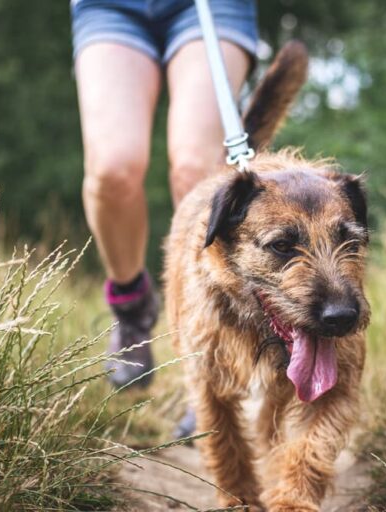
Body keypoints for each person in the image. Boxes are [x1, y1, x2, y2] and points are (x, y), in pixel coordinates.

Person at [70, 0, 258, 388]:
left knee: (196, 167)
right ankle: (132, 307)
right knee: (112, 170)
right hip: (109, 8)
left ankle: (212, 355)